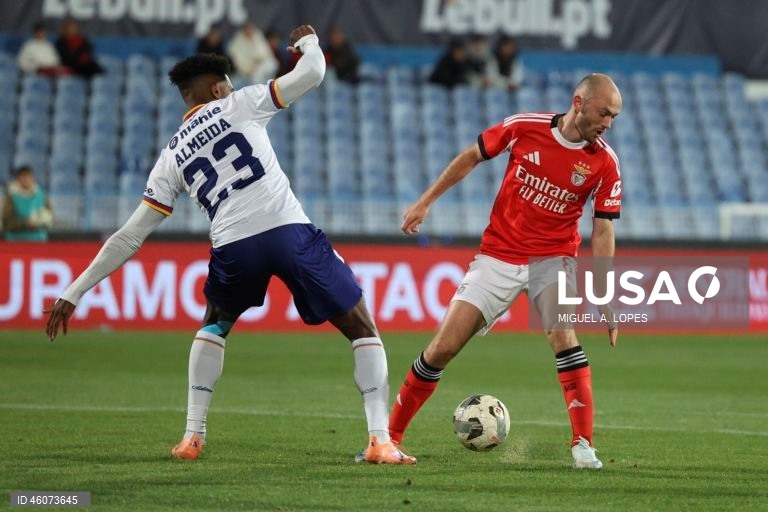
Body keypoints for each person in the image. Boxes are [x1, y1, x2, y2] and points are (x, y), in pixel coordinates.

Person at [44, 25, 415, 466]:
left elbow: (129, 235)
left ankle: (192, 437)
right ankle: (379, 441)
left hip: (234, 246)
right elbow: (314, 73)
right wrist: (309, 43)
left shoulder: (172, 155)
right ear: (219, 88)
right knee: (361, 326)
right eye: (229, 84)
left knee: (215, 325)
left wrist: (75, 290)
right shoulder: (240, 103)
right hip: (287, 231)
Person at [387, 73, 622, 469]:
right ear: (578, 103)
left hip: (553, 257)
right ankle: (389, 438)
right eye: (604, 113)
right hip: (498, 253)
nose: (608, 124)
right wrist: (425, 202)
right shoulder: (524, 127)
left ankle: (583, 445)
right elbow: (471, 156)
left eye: (614, 117)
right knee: (442, 348)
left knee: (563, 334)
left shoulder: (605, 163)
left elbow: (602, 228)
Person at [2, 165, 54, 241]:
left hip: (38, 239)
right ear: (17, 180)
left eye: (28, 177)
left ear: (33, 178)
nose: (25, 180)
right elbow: (7, 222)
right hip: (16, 240)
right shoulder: (11, 197)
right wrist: (25, 224)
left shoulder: (41, 194)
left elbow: (50, 215)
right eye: (22, 177)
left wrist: (43, 222)